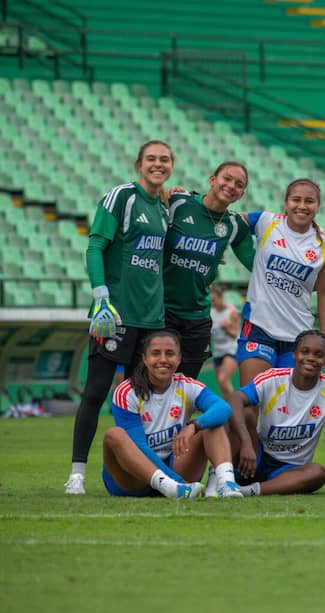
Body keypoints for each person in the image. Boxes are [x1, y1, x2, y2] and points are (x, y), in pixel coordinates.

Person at [66, 140, 174, 495]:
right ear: (139, 163)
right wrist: (101, 297)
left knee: (140, 400)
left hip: (151, 320)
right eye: (151, 159)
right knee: (96, 393)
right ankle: (77, 475)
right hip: (115, 316)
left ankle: (136, 474)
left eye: (165, 160)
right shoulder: (122, 197)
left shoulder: (163, 209)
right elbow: (95, 246)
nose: (158, 164)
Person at [101, 330, 242, 498]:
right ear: (144, 358)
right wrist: (175, 481)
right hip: (135, 479)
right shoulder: (126, 392)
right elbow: (139, 446)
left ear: (179, 359)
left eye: (170, 354)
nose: (163, 359)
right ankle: (171, 488)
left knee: (213, 421)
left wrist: (193, 426)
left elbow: (223, 408)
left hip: (176, 469)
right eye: (155, 354)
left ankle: (226, 483)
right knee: (114, 435)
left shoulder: (187, 385)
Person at [236, 178, 325, 388]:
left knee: (286, 404)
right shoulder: (266, 222)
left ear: (318, 206)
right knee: (251, 400)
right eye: (296, 200)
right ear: (286, 202)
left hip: (299, 336)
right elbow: (228, 221)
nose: (302, 206)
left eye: (309, 201)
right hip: (259, 328)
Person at [163, 161, 255, 379]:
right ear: (213, 180)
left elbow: (256, 265)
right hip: (162, 311)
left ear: (241, 194)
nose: (231, 186)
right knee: (154, 382)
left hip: (198, 317)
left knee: (186, 386)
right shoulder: (178, 202)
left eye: (239, 184)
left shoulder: (234, 225)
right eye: (227, 179)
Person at [228, 330, 325, 495]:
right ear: (294, 354)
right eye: (304, 352)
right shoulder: (272, 379)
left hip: (291, 470)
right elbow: (235, 398)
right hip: (256, 457)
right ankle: (220, 479)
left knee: (318, 472)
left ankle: (249, 491)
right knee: (242, 413)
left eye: (318, 355)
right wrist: (246, 442)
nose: (311, 358)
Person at [210, 285, 241, 400]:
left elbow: (235, 334)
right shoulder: (210, 312)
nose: (212, 303)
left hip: (232, 350)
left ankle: (234, 405)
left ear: (220, 298)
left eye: (214, 300)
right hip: (218, 351)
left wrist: (226, 329)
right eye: (211, 301)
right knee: (222, 385)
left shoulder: (231, 312)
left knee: (222, 380)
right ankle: (227, 408)